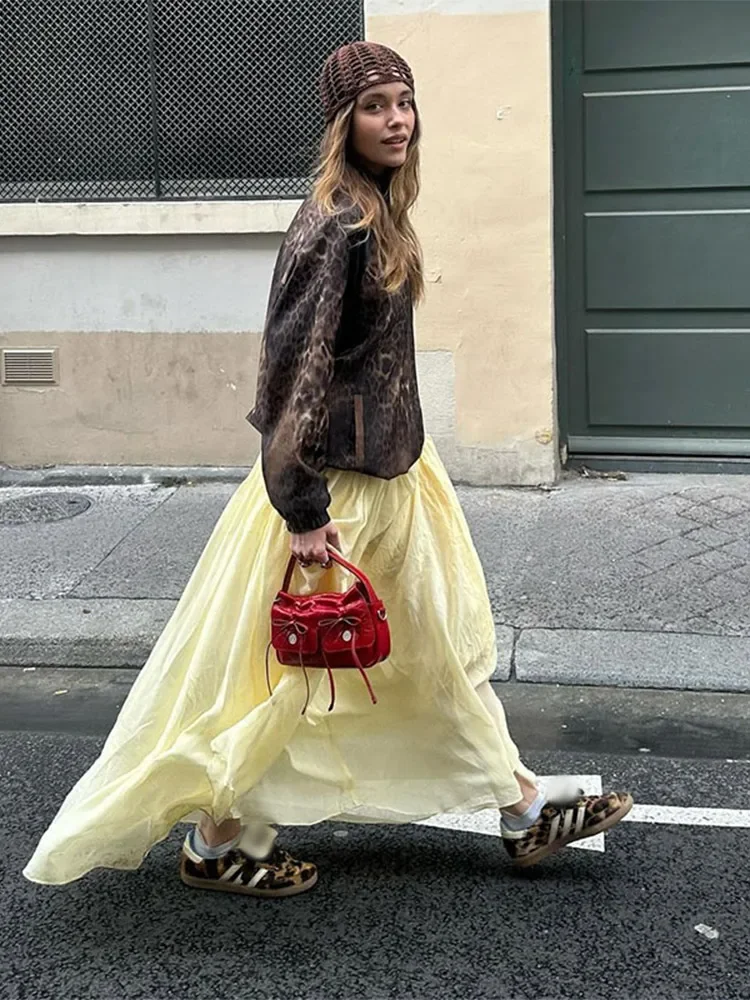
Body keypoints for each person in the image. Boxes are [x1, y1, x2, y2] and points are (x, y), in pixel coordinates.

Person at [23, 41, 632, 897]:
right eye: (377, 105)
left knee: (425, 654)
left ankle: (519, 803)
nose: (397, 120)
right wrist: (303, 510)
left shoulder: (378, 211)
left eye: (405, 102)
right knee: (300, 672)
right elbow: (288, 378)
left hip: (394, 479)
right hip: (336, 492)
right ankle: (219, 838)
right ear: (344, 121)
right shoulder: (336, 223)